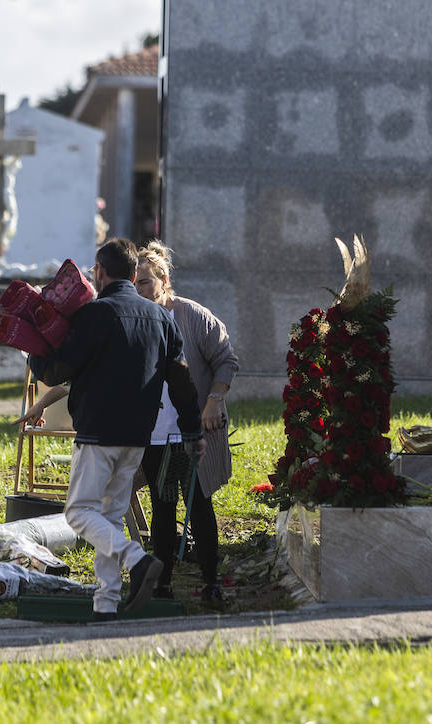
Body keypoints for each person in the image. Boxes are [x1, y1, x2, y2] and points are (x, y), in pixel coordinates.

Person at [27, 238, 203, 621]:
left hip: (98, 433)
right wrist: (193, 431)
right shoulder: (160, 317)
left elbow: (59, 370)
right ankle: (106, 603)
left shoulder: (94, 314)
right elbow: (182, 379)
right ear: (132, 273)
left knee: (78, 513)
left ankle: (136, 561)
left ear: (101, 272)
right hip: (139, 435)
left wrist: (35, 350)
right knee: (107, 518)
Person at [134, 241, 239, 608]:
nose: (139, 290)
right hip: (155, 432)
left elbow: (226, 360)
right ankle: (163, 584)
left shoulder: (193, 316)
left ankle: (211, 583)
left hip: (193, 431)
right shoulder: (137, 319)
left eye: (145, 282)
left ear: (163, 280)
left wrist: (214, 401)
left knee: (199, 505)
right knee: (162, 509)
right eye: (134, 284)